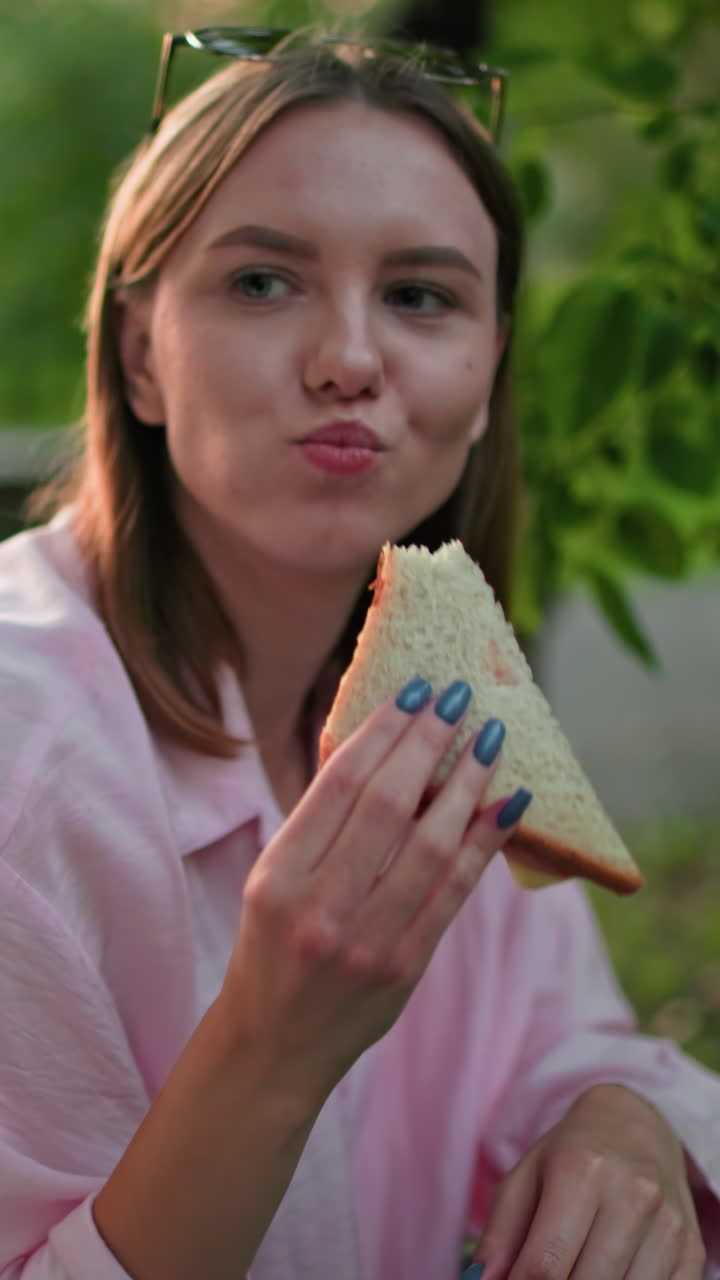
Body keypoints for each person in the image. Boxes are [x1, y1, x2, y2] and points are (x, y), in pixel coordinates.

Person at [0, 27, 718, 1280]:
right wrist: (275, 1043)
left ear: (489, 374)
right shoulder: (24, 759)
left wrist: (627, 1119)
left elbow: (575, 1039)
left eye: (421, 295)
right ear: (138, 354)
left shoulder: (458, 709)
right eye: (263, 282)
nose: (350, 359)